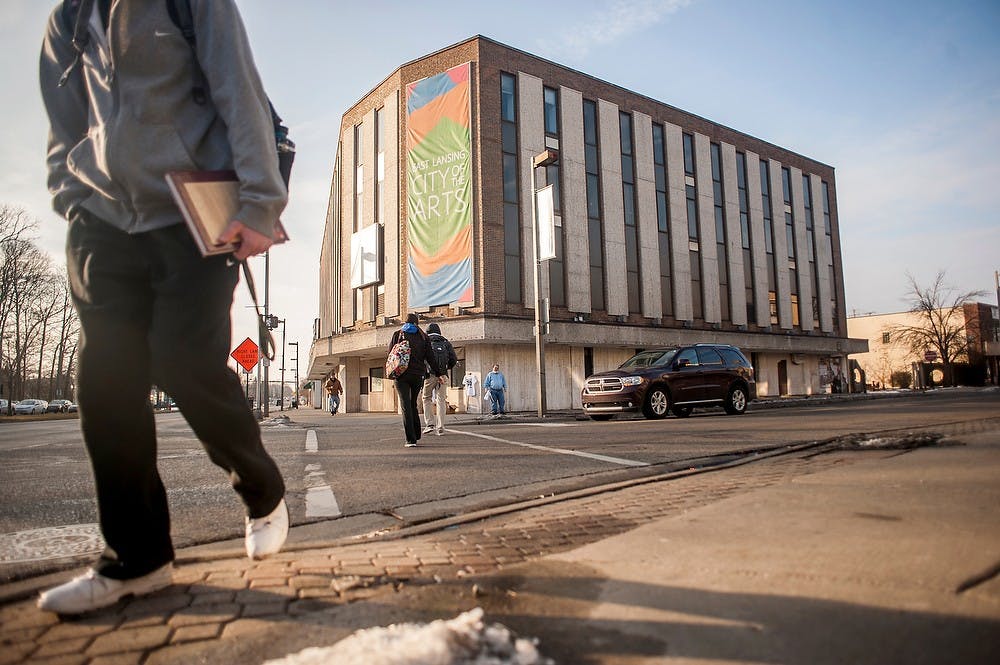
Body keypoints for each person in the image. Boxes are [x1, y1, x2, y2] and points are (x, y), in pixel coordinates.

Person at [37, 0, 288, 615]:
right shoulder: (67, 22)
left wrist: (259, 204)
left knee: (185, 363)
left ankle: (262, 489)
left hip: (190, 214)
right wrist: (71, 196)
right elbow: (63, 128)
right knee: (104, 378)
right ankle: (139, 558)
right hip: (102, 222)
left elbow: (239, 88)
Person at [390, 314, 446, 447]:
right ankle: (416, 432)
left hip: (401, 374)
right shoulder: (423, 336)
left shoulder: (398, 334)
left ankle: (411, 439)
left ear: (405, 322)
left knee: (405, 405)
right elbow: (430, 358)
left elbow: (390, 354)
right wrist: (439, 373)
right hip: (417, 375)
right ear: (417, 323)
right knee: (413, 403)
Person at [421, 323, 457, 436]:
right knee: (441, 400)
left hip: (430, 375)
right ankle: (441, 426)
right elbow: (453, 359)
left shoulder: (426, 342)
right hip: (443, 375)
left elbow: (421, 358)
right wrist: (445, 370)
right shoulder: (446, 342)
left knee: (426, 398)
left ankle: (430, 424)